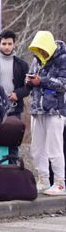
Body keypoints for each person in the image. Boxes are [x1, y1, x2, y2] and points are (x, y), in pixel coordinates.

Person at [25, 30, 66, 195]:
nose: (40, 53)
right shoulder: (36, 59)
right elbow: (33, 79)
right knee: (37, 148)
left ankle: (60, 182)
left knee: (54, 148)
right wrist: (29, 80)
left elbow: (63, 83)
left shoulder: (63, 58)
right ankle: (43, 180)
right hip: (37, 109)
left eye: (42, 49)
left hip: (55, 110)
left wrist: (41, 81)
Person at [0, 30, 30, 156]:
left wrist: (17, 94)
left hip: (14, 109)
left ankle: (13, 168)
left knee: (13, 141)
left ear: (14, 44)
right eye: (4, 44)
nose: (7, 47)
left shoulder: (22, 65)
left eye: (9, 44)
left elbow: (28, 86)